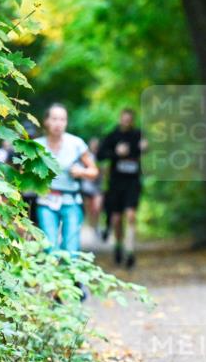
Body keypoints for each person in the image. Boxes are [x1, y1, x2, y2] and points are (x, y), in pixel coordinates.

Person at [34, 103, 99, 256]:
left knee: (71, 248)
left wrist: (81, 171)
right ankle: (53, 278)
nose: (58, 123)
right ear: (46, 121)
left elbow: (94, 171)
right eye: (54, 119)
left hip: (71, 200)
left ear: (66, 122)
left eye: (62, 119)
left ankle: (72, 278)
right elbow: (24, 173)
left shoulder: (76, 143)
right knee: (49, 246)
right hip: (45, 200)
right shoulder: (36, 146)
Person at [98, 108, 146, 268]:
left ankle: (130, 250)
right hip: (116, 183)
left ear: (132, 121)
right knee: (117, 219)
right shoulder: (112, 136)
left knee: (131, 215)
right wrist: (116, 153)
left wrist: (145, 148)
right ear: (120, 119)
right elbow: (100, 155)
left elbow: (144, 150)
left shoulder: (138, 135)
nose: (126, 122)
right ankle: (118, 246)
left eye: (129, 120)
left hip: (133, 182)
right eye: (124, 119)